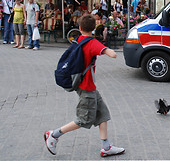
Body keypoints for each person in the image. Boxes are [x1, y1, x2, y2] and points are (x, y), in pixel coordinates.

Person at [44, 14, 125, 157]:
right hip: (86, 88)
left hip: (87, 86)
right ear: (94, 28)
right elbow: (112, 54)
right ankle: (54, 134)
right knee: (83, 119)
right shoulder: (92, 43)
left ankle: (106, 147)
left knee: (103, 114)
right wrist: (111, 51)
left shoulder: (79, 40)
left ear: (79, 28)